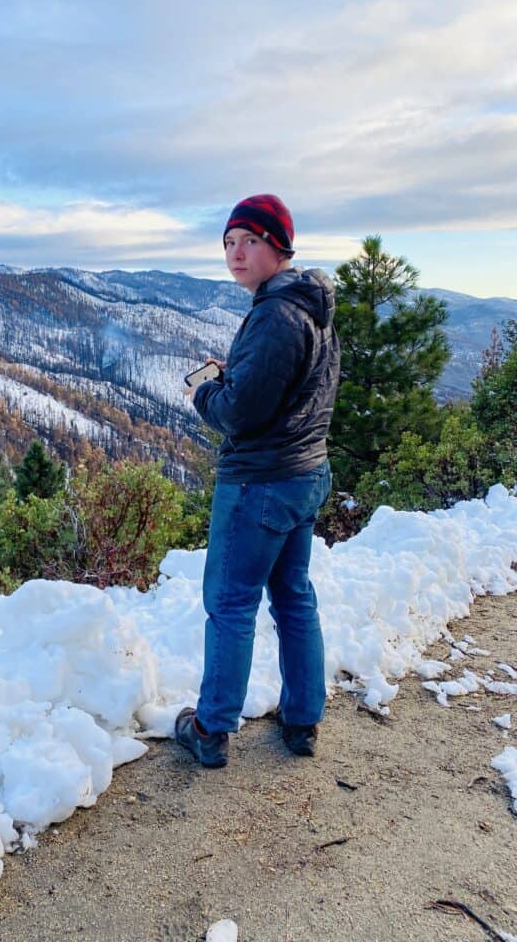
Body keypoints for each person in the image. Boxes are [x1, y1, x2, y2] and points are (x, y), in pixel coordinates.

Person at [176, 194, 340, 768]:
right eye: (228, 242)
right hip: (305, 472)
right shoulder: (311, 307)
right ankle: (303, 720)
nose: (235, 253)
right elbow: (288, 392)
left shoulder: (274, 315)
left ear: (278, 246)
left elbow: (241, 413)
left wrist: (205, 393)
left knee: (230, 602)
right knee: (294, 597)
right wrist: (235, 378)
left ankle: (212, 728)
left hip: (260, 483)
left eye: (249, 240)